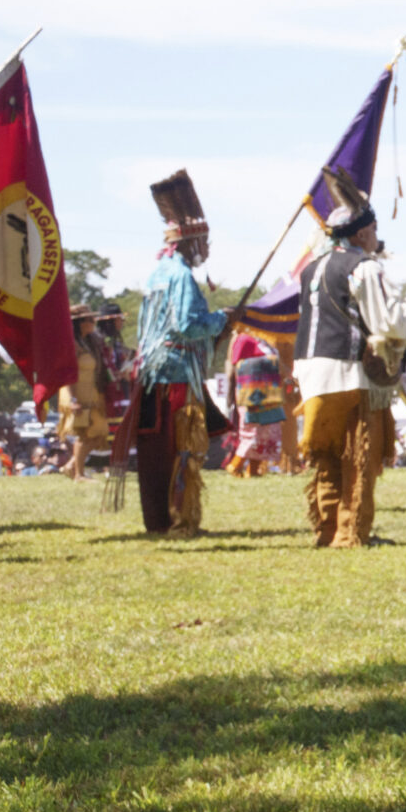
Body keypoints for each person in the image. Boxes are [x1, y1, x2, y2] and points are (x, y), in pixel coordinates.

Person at [293, 192, 406, 548]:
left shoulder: (312, 267)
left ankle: (327, 529)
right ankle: (351, 534)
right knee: (360, 455)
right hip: (350, 371)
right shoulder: (365, 267)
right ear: (361, 234)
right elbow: (388, 321)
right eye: (374, 229)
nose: (376, 236)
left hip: (312, 374)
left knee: (327, 456)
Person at [133, 171, 228, 538]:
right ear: (190, 242)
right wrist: (221, 319)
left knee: (156, 453)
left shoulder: (157, 273)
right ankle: (180, 520)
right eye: (204, 242)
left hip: (151, 374)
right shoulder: (182, 276)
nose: (206, 249)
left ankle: (158, 520)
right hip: (176, 376)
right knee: (181, 448)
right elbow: (188, 325)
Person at [223, 330, 289, 477]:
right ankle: (235, 466)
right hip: (251, 394)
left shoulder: (266, 340)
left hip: (270, 395)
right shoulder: (243, 338)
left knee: (268, 431)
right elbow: (236, 365)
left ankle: (252, 470)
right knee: (252, 432)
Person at [56, 309, 111, 479]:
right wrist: (73, 400)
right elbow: (67, 373)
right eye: (90, 319)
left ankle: (72, 466)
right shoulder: (72, 344)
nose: (94, 322)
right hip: (75, 394)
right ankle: (79, 474)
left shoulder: (88, 342)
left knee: (100, 432)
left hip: (90, 394)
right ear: (80, 322)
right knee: (84, 433)